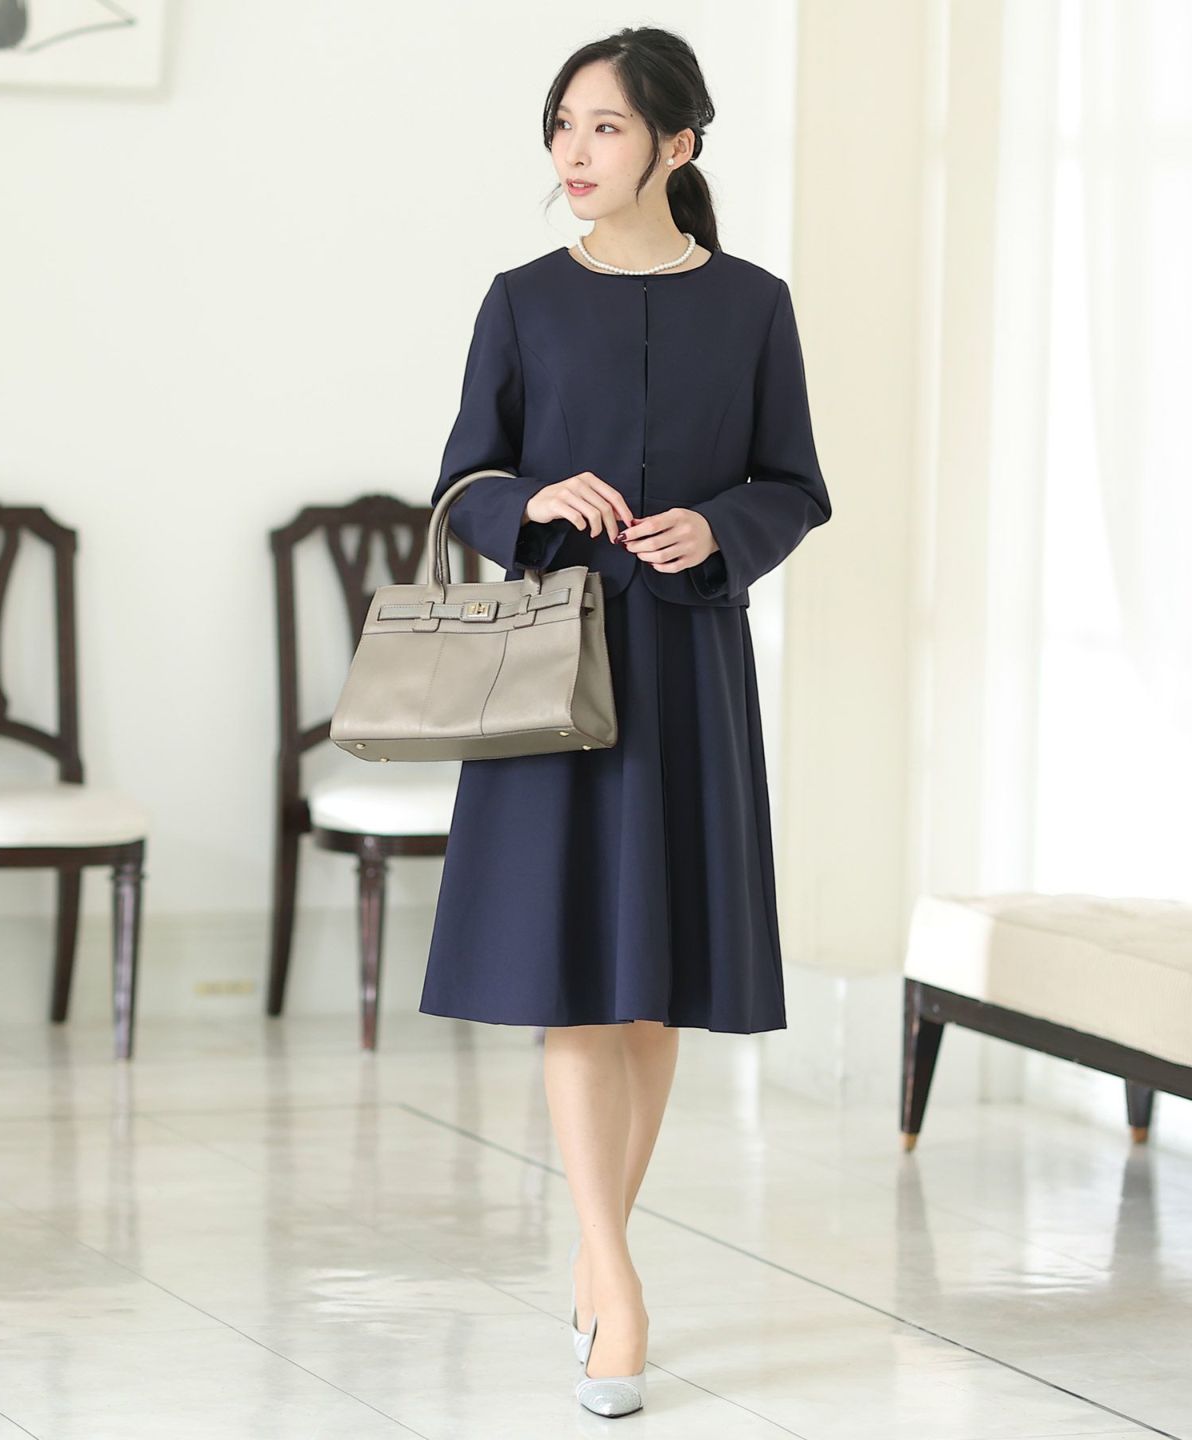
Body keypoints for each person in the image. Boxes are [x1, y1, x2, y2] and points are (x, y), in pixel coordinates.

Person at [418, 24, 831, 1419]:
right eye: (563, 126)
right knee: (574, 984)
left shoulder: (754, 304)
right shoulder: (522, 299)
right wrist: (532, 502)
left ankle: (600, 1259)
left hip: (689, 663)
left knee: (655, 984)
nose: (574, 152)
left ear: (677, 143)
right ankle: (616, 1276)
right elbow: (464, 477)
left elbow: (794, 484)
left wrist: (717, 528)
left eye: (603, 126)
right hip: (555, 671)